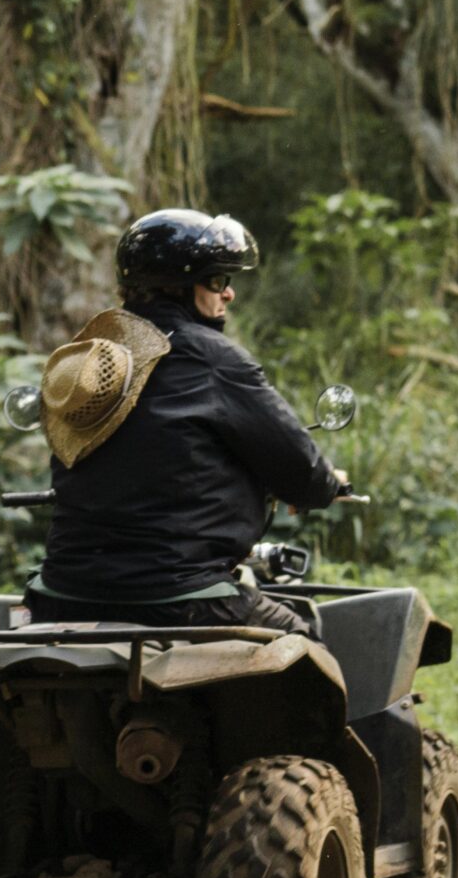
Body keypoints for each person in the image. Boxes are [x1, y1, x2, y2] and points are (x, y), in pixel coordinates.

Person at [27, 210, 350, 639]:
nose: (229, 293)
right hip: (180, 599)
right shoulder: (212, 359)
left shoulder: (92, 366)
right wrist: (326, 484)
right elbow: (301, 471)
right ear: (177, 288)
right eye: (216, 281)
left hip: (60, 595)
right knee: (308, 646)